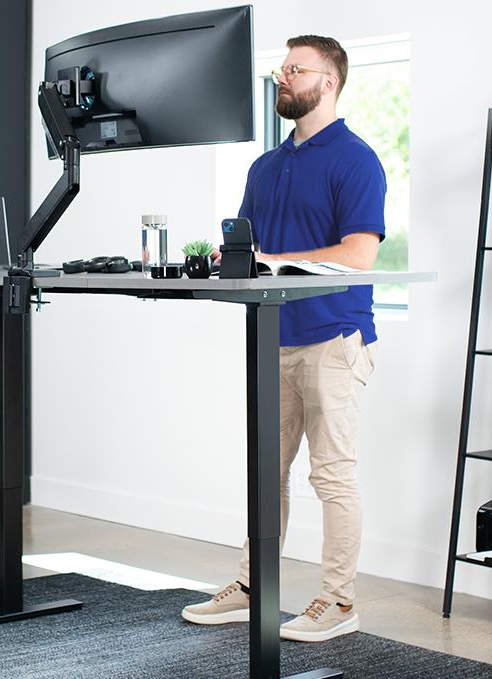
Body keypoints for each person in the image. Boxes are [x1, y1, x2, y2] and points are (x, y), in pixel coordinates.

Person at [181, 35, 385, 643]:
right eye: (281, 69)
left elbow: (360, 254)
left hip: (332, 338)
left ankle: (339, 603)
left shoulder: (356, 159)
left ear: (329, 82)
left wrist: (273, 260)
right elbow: (250, 252)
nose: (283, 78)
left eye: (296, 70)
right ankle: (254, 588)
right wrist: (229, 260)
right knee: (266, 473)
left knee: (333, 476)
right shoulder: (265, 166)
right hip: (272, 336)